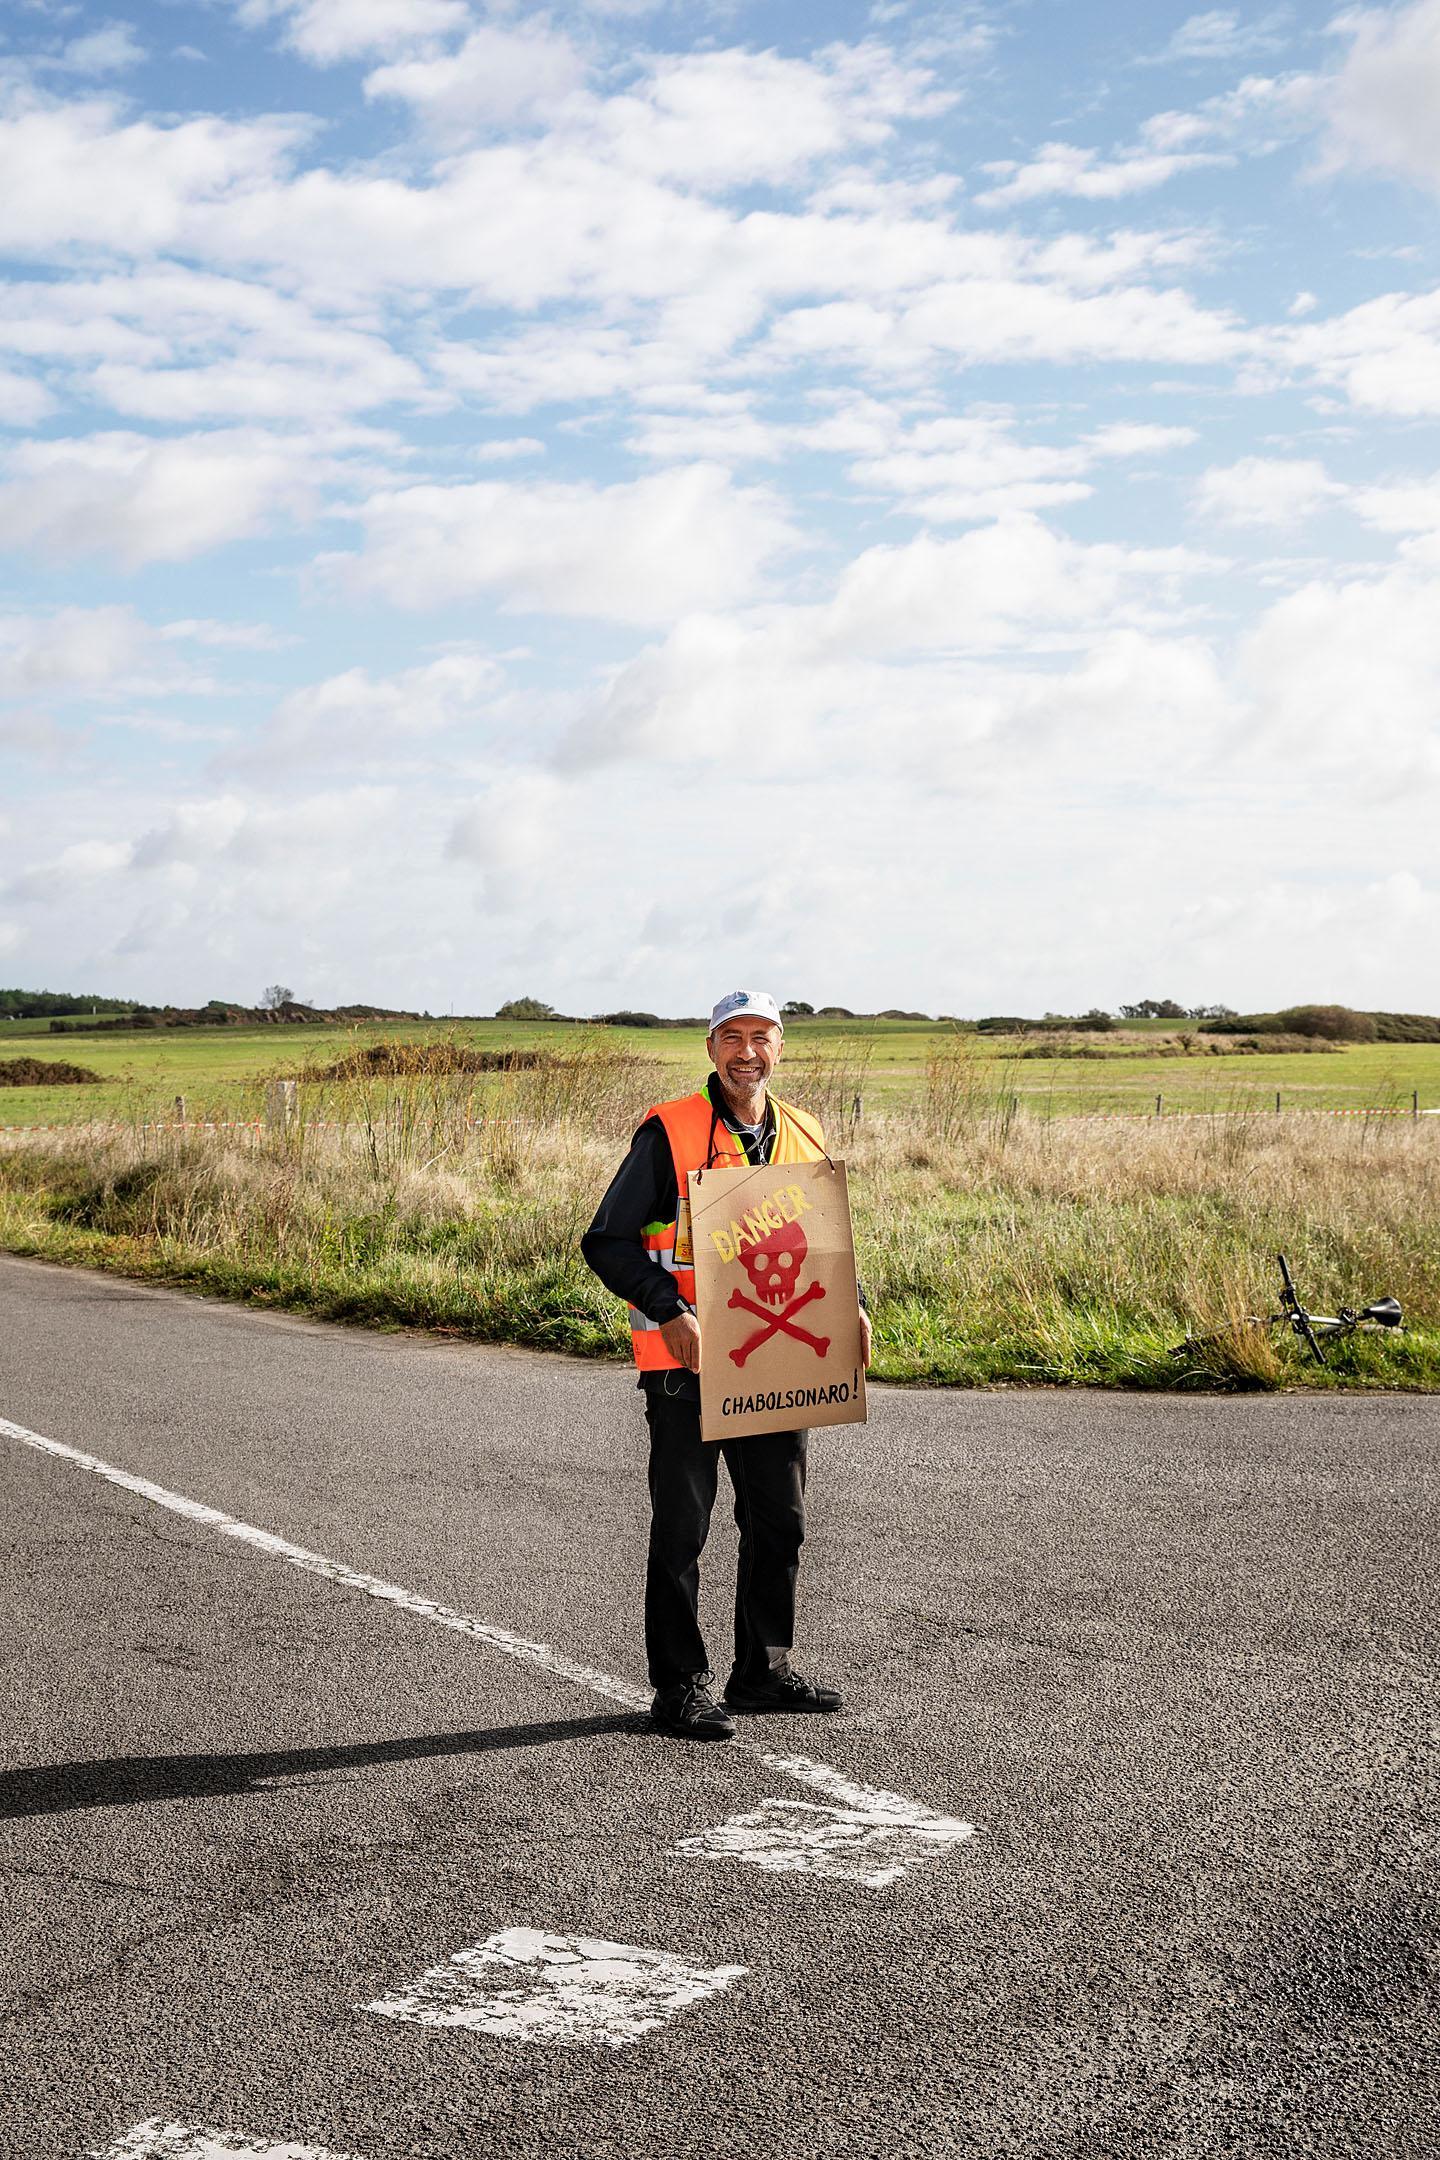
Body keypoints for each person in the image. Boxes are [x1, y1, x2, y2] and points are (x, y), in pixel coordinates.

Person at [582, 990, 871, 1741]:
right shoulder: (669, 1131)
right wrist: (668, 1310)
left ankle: (761, 1672)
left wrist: (854, 1306)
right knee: (684, 1529)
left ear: (782, 1046)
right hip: (687, 1368)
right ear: (710, 1047)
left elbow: (822, 1239)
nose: (748, 1052)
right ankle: (677, 1687)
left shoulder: (803, 1130)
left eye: (762, 1037)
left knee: (781, 1523)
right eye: (732, 1037)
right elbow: (605, 1241)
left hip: (778, 1366)